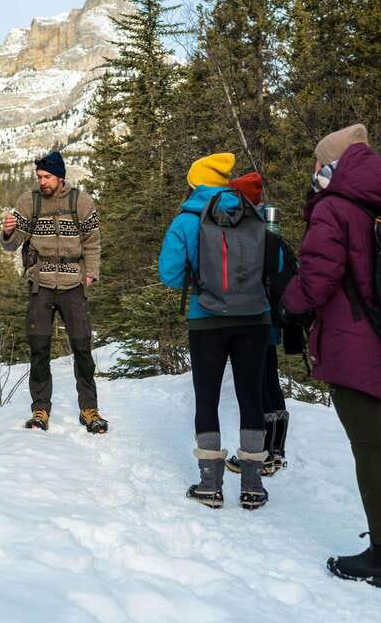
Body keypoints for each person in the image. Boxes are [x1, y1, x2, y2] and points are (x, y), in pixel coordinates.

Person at [281, 124, 381, 590]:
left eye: (319, 165)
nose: (315, 173)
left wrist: (289, 302)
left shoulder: (335, 209)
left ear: (334, 165)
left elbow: (319, 277)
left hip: (354, 345)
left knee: (369, 450)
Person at [158, 153, 271, 510]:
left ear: (194, 182)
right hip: (255, 317)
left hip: (206, 319)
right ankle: (253, 485)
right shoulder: (252, 211)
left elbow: (170, 274)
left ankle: (211, 484)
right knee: (251, 397)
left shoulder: (187, 218)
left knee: (206, 397)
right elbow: (275, 263)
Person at [1, 150, 108, 434]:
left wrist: (91, 272)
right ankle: (40, 410)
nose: (42, 182)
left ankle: (89, 409)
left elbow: (93, 241)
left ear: (60, 177)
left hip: (74, 283)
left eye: (47, 177)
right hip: (41, 283)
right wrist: (9, 232)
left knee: (82, 349)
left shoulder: (81, 201)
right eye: (39, 177)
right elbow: (12, 245)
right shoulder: (29, 201)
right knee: (39, 349)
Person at [223, 171, 290, 477]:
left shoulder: (252, 229)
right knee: (269, 382)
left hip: (256, 315)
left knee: (257, 385)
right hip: (274, 317)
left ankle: (261, 455)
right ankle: (276, 452)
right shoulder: (270, 227)